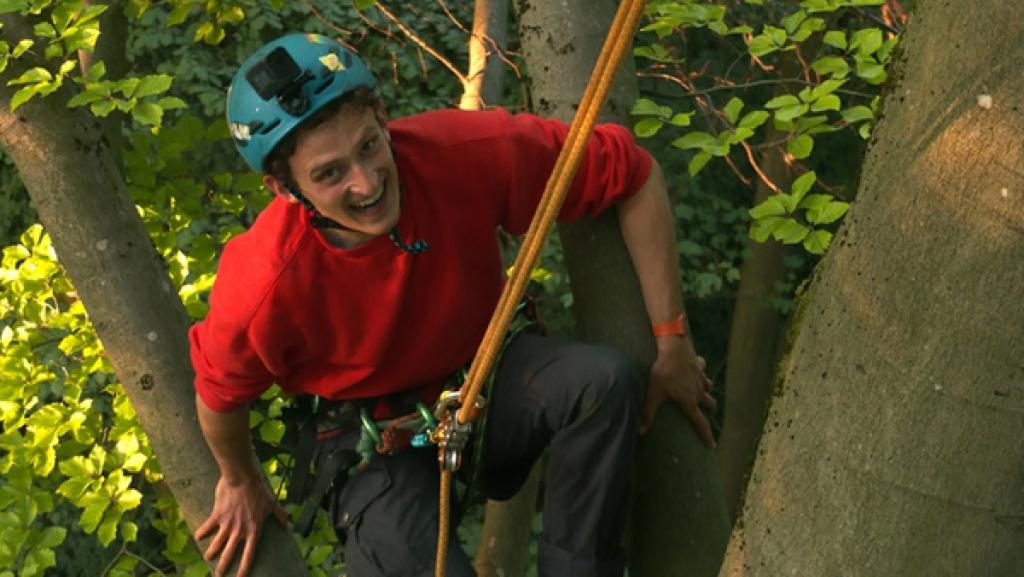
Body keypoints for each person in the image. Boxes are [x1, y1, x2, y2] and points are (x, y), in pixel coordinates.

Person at [190, 32, 715, 577]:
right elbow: (220, 395)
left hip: (487, 378)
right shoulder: (264, 281)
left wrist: (671, 342)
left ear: (381, 114)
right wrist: (239, 479)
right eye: (329, 173)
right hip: (372, 441)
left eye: (369, 146)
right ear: (284, 188)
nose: (367, 182)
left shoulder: (459, 155)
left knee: (600, 383)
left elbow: (632, 173)